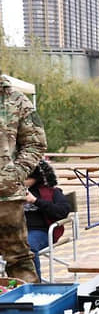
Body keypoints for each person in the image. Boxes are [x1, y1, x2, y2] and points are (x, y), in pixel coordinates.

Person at [0, 72, 47, 283]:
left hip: (6, 199)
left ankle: (29, 312)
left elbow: (36, 143)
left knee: (19, 260)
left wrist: (15, 173)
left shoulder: (16, 99)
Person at [23, 160, 71, 280]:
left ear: (36, 177)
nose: (23, 180)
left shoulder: (52, 191)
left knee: (28, 246)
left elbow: (63, 211)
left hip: (41, 231)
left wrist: (36, 201)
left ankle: (34, 284)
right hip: (13, 231)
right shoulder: (11, 191)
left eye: (27, 177)